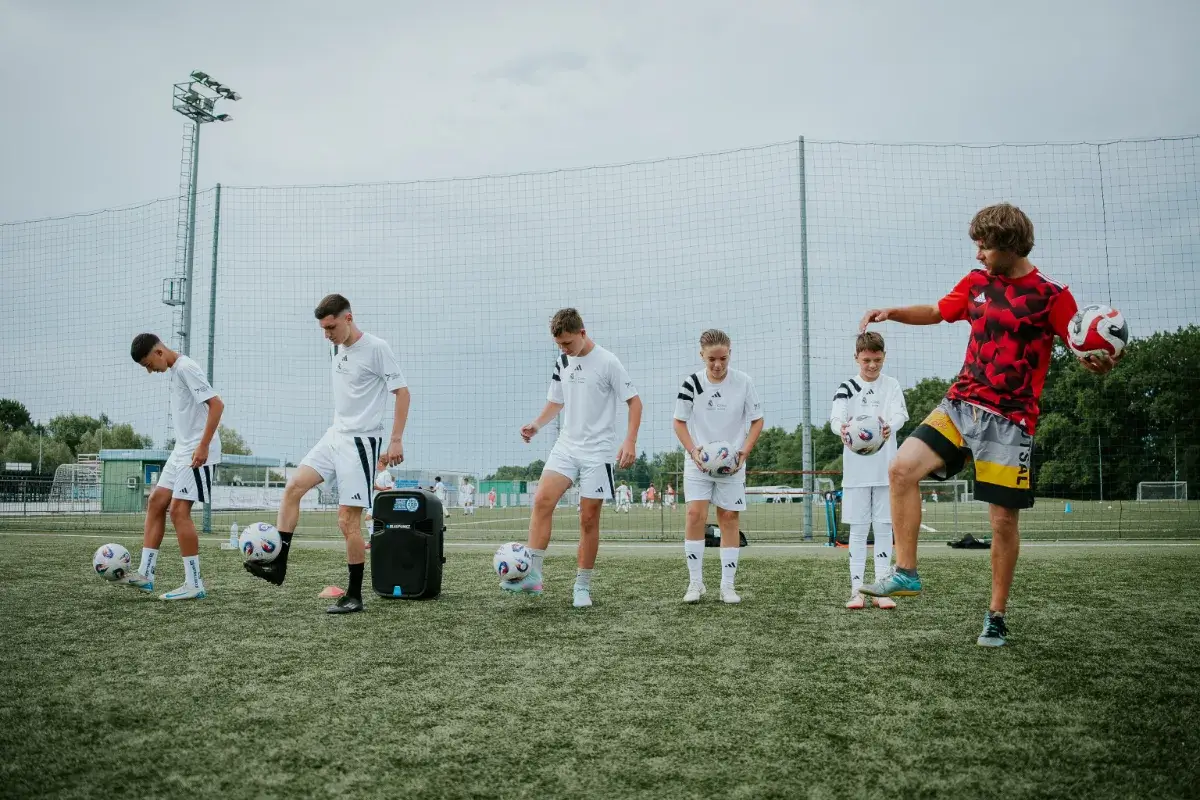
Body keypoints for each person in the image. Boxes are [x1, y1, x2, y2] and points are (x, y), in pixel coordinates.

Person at [856, 203, 1119, 646]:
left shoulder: (1053, 296)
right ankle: (906, 572)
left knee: (1001, 523)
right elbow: (940, 311)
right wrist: (892, 312)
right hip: (960, 404)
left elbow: (1080, 348)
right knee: (901, 469)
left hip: (1010, 421)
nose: (978, 254)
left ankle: (996, 615)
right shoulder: (977, 283)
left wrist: (1095, 362)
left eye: (985, 246)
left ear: (1010, 245)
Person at [244, 294, 409, 615]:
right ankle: (278, 565)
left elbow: (402, 392)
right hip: (333, 436)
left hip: (360, 442)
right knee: (293, 488)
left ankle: (354, 595)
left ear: (349, 318)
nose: (327, 334)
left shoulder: (377, 348)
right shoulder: (337, 348)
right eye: (322, 328)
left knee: (347, 521)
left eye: (331, 327)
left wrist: (395, 440)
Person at [504, 308, 641, 607]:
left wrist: (629, 440)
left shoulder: (608, 361)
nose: (564, 349)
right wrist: (537, 425)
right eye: (559, 345)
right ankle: (532, 576)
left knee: (588, 519)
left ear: (583, 332)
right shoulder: (562, 360)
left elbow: (635, 402)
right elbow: (556, 400)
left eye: (567, 343)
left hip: (598, 452)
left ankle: (582, 586)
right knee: (542, 501)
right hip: (566, 447)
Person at [124, 334, 224, 600]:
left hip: (198, 451)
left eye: (148, 364)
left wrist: (202, 446)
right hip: (181, 450)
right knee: (156, 501)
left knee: (179, 512)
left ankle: (194, 583)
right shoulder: (174, 370)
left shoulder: (186, 368)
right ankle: (146, 574)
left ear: (159, 352)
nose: (149, 371)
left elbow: (217, 405)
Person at [673, 329, 764, 604]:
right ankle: (695, 583)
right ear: (701, 355)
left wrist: (743, 453)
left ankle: (727, 586)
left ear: (730, 354)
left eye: (723, 358)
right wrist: (693, 451)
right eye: (711, 359)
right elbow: (679, 421)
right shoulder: (691, 383)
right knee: (694, 517)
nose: (717, 364)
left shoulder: (744, 382)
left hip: (732, 465)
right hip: (699, 463)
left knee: (729, 519)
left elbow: (757, 420)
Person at [829, 331, 909, 610]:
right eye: (866, 360)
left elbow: (900, 414)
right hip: (856, 472)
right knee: (859, 530)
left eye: (877, 359)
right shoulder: (847, 386)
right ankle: (857, 590)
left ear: (884, 357)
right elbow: (836, 417)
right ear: (856, 358)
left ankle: (882, 589)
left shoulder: (892, 385)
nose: (872, 365)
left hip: (887, 469)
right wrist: (840, 427)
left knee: (885, 528)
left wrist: (889, 425)